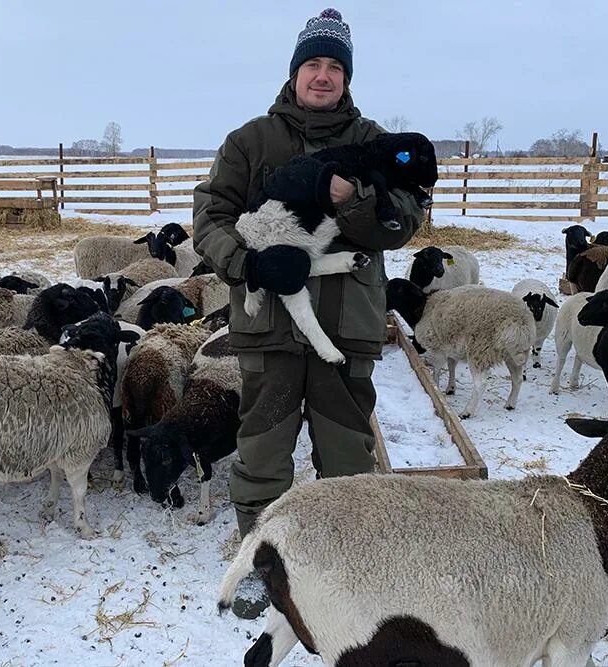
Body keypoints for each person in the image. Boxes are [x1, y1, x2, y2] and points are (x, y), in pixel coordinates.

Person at [192, 8, 428, 616]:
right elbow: (210, 219)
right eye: (312, 65)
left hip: (346, 322)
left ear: (347, 79)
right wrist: (249, 265)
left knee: (347, 447)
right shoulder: (251, 141)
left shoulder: (375, 142)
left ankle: (347, 560)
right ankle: (258, 556)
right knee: (264, 442)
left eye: (333, 67)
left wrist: (350, 199)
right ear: (294, 73)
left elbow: (402, 224)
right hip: (269, 322)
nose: (322, 77)